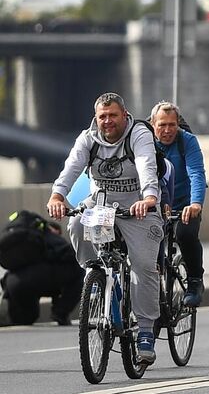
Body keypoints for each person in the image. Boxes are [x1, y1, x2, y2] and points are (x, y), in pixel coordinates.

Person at [49, 93, 164, 365]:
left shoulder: (139, 134)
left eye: (113, 115)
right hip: (101, 205)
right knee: (76, 221)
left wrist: (149, 198)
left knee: (143, 265)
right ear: (96, 118)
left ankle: (145, 332)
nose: (107, 121)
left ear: (124, 115)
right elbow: (71, 167)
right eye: (102, 116)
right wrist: (57, 195)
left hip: (138, 207)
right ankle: (95, 274)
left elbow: (147, 164)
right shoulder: (88, 138)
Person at [148, 101, 207, 307]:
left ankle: (194, 281)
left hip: (184, 203)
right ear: (152, 124)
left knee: (185, 234)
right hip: (154, 203)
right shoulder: (144, 142)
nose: (167, 130)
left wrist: (196, 204)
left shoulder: (187, 141)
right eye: (162, 125)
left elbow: (197, 174)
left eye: (172, 125)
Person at [0, 208, 82, 326]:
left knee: (27, 319)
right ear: (51, 228)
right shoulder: (47, 234)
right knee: (79, 270)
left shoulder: (25, 242)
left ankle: (13, 321)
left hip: (13, 283)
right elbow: (70, 254)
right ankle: (60, 312)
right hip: (37, 279)